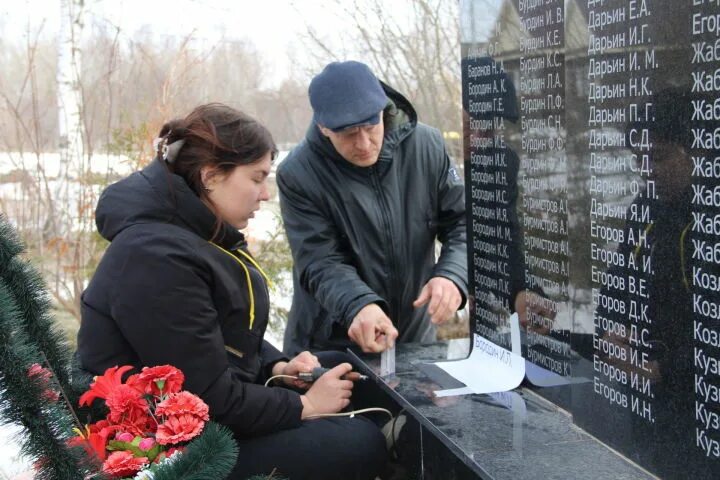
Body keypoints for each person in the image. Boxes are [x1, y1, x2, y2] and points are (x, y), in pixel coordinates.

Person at [75, 103, 386, 480]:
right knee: (358, 443)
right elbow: (207, 400)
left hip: (200, 419)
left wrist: (277, 368)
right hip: (166, 451)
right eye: (257, 178)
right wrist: (302, 405)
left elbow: (221, 336)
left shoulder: (193, 233)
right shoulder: (156, 258)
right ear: (210, 177)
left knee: (345, 366)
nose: (266, 194)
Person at [278, 60, 468, 356]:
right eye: (348, 134)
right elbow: (319, 260)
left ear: (384, 111)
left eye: (370, 126)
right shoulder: (298, 173)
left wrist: (453, 275)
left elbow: (462, 224)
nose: (364, 143)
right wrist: (358, 304)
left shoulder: (427, 147)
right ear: (323, 128)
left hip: (415, 338)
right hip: (333, 346)